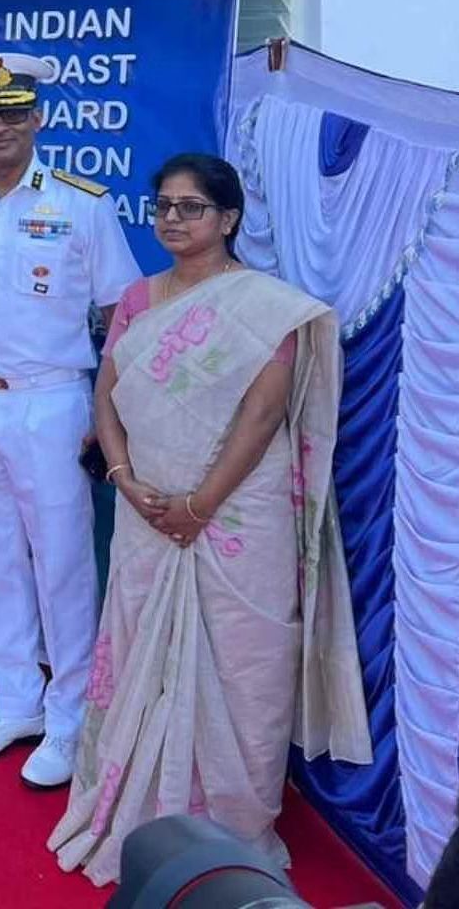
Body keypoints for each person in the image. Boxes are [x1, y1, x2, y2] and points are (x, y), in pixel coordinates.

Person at [48, 153, 371, 883]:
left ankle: (232, 824)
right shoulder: (137, 299)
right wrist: (127, 480)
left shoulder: (267, 307)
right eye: (163, 205)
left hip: (235, 515)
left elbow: (262, 417)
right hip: (145, 506)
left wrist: (200, 505)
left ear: (228, 219)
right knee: (139, 650)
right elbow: (108, 394)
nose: (172, 219)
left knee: (242, 663)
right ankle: (135, 810)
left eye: (191, 207)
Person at [0, 52, 141, 788]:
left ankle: (72, 716)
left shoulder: (82, 204)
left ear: (39, 117)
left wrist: (108, 415)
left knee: (64, 563)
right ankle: (14, 700)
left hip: (52, 400)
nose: (0, 126)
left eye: (14, 112)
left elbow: (120, 315)